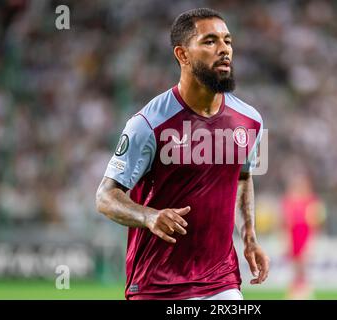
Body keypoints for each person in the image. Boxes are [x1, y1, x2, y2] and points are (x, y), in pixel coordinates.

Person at [95, 8, 270, 300]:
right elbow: (105, 197)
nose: (224, 49)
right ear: (183, 54)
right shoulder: (148, 124)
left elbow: (242, 179)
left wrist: (249, 238)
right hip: (158, 284)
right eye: (210, 41)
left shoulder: (251, 120)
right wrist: (149, 216)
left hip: (221, 280)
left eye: (227, 41)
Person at [281, 170, 325, 300]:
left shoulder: (311, 200)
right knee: (296, 266)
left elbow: (315, 222)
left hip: (304, 235)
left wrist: (311, 241)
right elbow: (286, 223)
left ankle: (304, 291)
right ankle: (296, 291)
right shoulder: (289, 201)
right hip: (294, 236)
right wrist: (286, 240)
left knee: (303, 265)